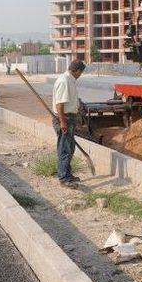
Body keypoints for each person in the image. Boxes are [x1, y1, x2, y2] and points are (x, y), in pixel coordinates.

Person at [52, 59, 86, 188]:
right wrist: (62, 122)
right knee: (64, 149)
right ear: (76, 71)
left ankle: (67, 174)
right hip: (64, 118)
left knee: (70, 148)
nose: (80, 75)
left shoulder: (70, 80)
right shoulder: (64, 81)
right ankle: (63, 178)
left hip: (69, 118)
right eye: (80, 73)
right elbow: (59, 104)